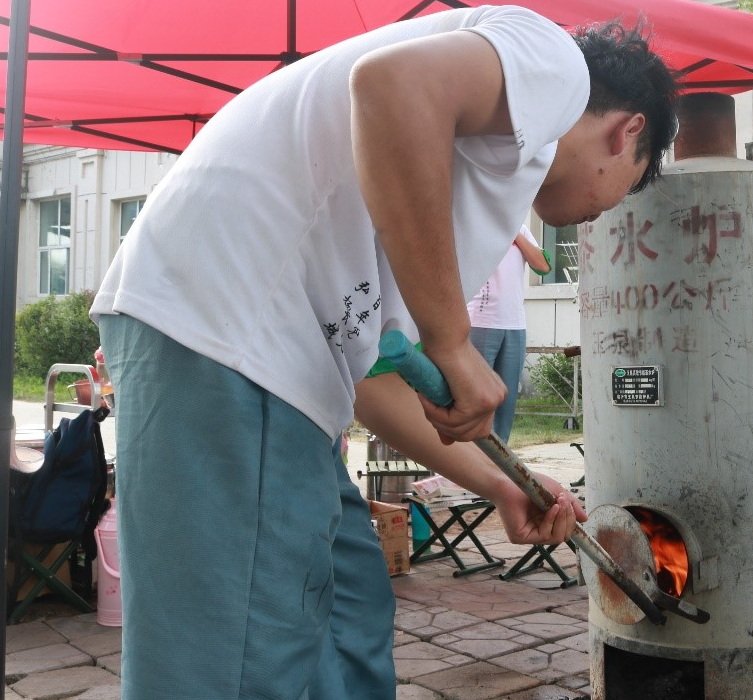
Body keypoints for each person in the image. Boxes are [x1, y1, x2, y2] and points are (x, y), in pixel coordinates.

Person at [88, 7, 678, 700]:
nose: (599, 216)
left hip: (281, 367)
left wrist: (502, 485)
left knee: (351, 611)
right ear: (627, 131)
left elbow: (371, 383)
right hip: (229, 331)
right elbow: (390, 86)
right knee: (237, 663)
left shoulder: (464, 187)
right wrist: (452, 341)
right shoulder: (553, 64)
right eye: (621, 194)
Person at [468, 225, 551, 442]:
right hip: (480, 320)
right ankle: (469, 459)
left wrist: (513, 231)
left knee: (507, 398)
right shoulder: (474, 221)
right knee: (478, 396)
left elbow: (543, 266)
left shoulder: (520, 227)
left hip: (515, 323)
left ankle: (499, 460)